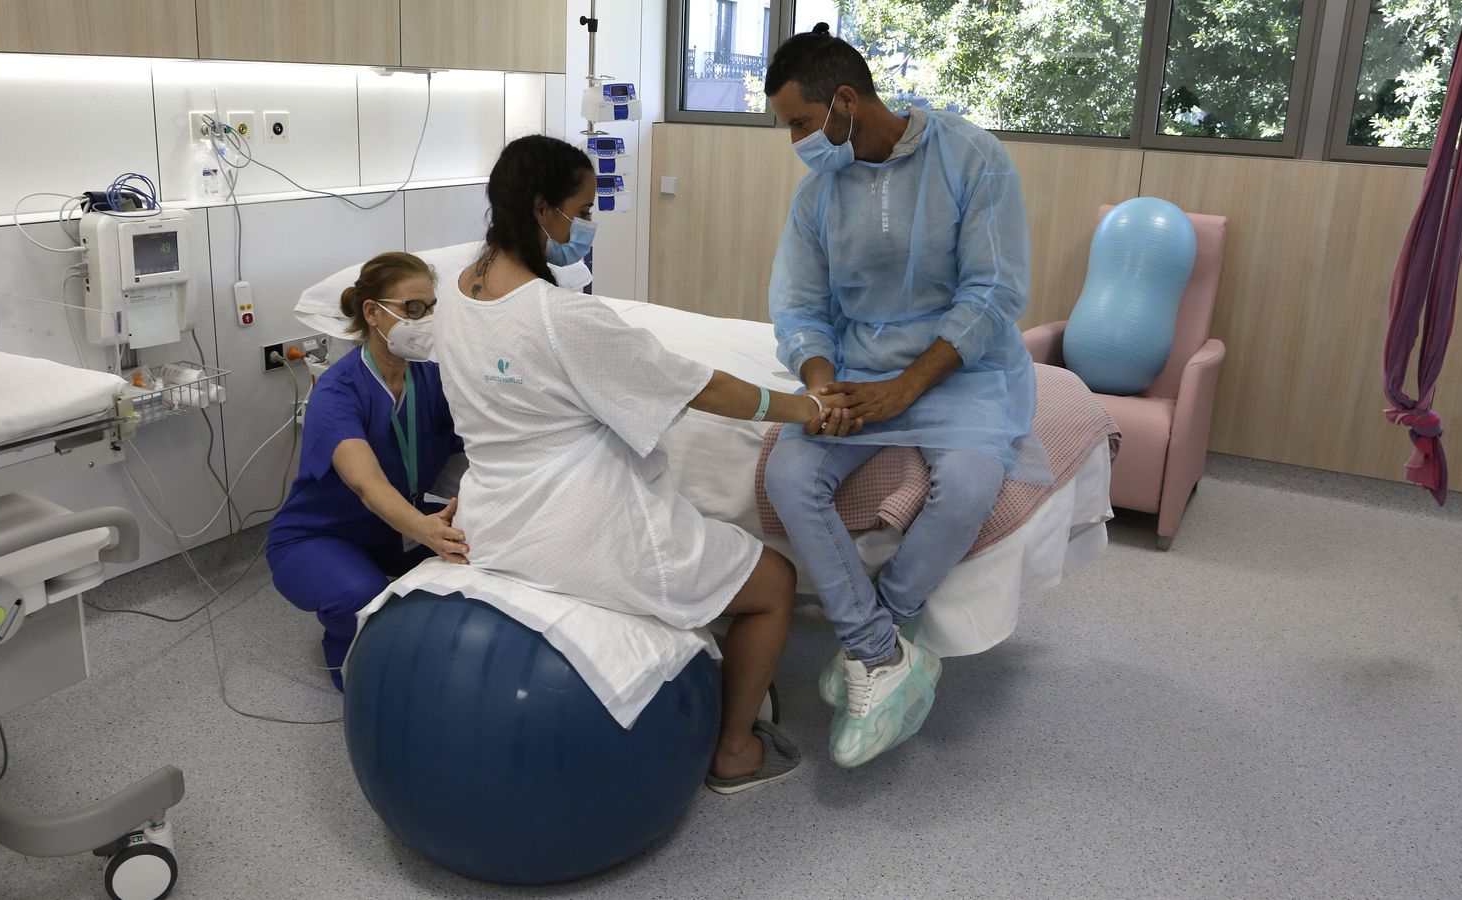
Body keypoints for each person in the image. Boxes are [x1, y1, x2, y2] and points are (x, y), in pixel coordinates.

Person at [442, 135, 843, 791]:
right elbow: (697, 386)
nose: (588, 225)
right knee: (773, 583)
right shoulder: (563, 315)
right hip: (584, 534)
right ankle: (735, 752)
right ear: (543, 208)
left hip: (494, 519)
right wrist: (799, 409)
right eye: (583, 208)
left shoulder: (458, 288)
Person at [761, 24, 1048, 768]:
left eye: (798, 122)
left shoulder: (973, 158)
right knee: (789, 475)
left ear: (845, 102)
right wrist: (822, 384)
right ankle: (880, 652)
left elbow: (994, 293)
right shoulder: (819, 193)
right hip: (857, 366)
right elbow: (799, 304)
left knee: (972, 484)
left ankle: (879, 631)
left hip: (962, 368)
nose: (794, 140)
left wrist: (906, 389)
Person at [267, 251, 469, 691]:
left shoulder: (431, 377)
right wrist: (426, 529)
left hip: (396, 530)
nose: (427, 319)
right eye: (414, 309)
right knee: (362, 597)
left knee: (478, 550)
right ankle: (347, 653)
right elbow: (366, 483)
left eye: (432, 308)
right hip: (319, 537)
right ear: (373, 313)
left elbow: (480, 433)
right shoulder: (338, 392)